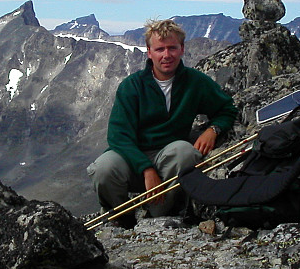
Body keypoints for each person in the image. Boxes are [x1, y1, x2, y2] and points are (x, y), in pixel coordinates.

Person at [87, 18, 238, 225]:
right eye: (159, 49)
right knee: (103, 168)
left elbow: (227, 108)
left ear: (182, 49)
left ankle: (158, 219)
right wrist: (146, 169)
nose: (166, 55)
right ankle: (122, 220)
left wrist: (213, 129)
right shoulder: (132, 86)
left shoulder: (195, 82)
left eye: (172, 48)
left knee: (185, 152)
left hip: (168, 155)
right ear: (149, 52)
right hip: (133, 157)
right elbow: (118, 136)